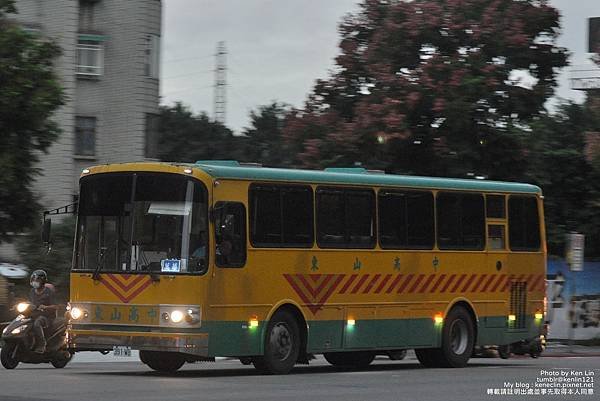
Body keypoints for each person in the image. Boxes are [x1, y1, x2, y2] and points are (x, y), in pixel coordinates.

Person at [28, 270, 58, 353]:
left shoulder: (49, 292)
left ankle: (42, 344)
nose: (35, 282)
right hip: (34, 314)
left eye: (37, 280)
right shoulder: (32, 291)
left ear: (43, 281)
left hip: (47, 317)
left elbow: (55, 306)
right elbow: (30, 302)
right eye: (33, 280)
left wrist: (46, 307)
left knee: (37, 323)